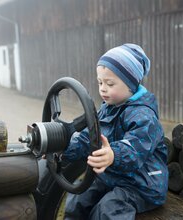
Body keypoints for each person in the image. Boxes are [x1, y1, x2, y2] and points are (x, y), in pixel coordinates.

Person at [63, 43, 168, 220]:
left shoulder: (144, 116)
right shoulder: (107, 108)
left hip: (141, 184)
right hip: (112, 177)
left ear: (130, 84)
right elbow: (88, 138)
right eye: (100, 82)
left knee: (109, 209)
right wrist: (63, 149)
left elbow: (135, 149)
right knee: (79, 197)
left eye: (110, 83)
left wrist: (114, 155)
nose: (103, 88)